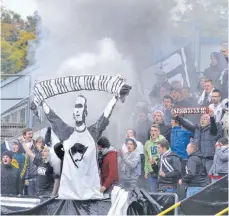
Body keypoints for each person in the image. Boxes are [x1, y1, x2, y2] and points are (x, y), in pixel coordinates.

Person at [41, 81, 131, 200]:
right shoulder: (66, 133)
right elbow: (53, 117)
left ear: (85, 112)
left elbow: (105, 115)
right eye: (76, 107)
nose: (78, 111)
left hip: (90, 192)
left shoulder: (93, 132)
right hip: (68, 194)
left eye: (80, 107)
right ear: (73, 113)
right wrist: (42, 101)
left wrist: (114, 98)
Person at [144, 124, 165, 192]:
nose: (153, 132)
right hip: (152, 172)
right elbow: (146, 159)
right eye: (152, 130)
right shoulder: (147, 143)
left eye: (155, 131)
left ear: (158, 132)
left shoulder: (163, 141)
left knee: (163, 193)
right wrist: (146, 171)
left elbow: (168, 155)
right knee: (154, 192)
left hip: (162, 171)